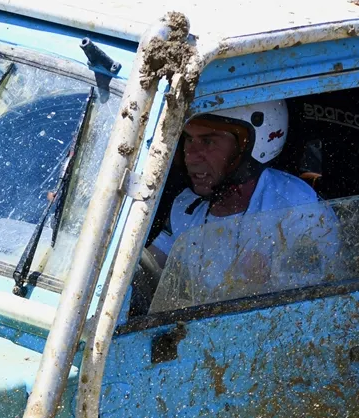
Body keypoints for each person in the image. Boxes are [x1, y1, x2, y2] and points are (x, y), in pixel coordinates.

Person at [145, 100, 340, 312]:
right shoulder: (187, 204)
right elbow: (152, 265)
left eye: (208, 142)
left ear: (250, 146)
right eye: (189, 139)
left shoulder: (300, 211)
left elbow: (310, 311)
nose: (190, 155)